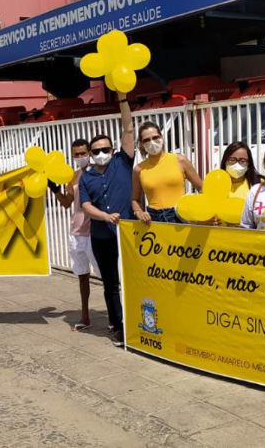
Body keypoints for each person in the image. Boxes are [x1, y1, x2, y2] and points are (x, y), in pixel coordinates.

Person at [79, 91, 134, 347]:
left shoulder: (122, 163)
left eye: (105, 149)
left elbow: (128, 128)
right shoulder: (87, 177)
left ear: (113, 149)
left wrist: (122, 98)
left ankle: (138, 321)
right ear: (91, 153)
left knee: (133, 279)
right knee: (110, 282)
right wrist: (105, 216)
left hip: (129, 233)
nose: (101, 153)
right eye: (97, 151)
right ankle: (118, 325)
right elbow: (85, 206)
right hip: (102, 235)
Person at [49, 139, 99, 331]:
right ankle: (85, 316)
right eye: (76, 154)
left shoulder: (99, 173)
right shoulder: (74, 177)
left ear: (90, 153)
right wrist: (53, 188)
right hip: (76, 233)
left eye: (83, 153)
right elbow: (66, 203)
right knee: (82, 276)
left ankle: (116, 317)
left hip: (95, 232)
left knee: (107, 277)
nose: (80, 157)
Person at [131, 122, 202, 224]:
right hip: (153, 219)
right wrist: (139, 212)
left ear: (161, 137)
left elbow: (201, 188)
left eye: (155, 137)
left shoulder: (180, 160)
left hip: (179, 216)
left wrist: (201, 212)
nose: (152, 142)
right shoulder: (138, 169)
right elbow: (135, 200)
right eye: (146, 140)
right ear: (141, 144)